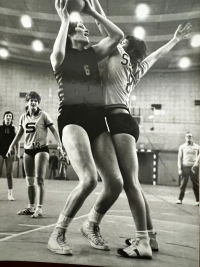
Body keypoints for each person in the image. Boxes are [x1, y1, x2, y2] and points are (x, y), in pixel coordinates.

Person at [81, 0, 192, 259]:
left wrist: (92, 6)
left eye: (124, 40)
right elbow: (157, 56)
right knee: (135, 185)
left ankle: (141, 243)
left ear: (126, 47)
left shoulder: (119, 54)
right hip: (128, 123)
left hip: (117, 121)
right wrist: (174, 40)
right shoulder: (137, 68)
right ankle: (149, 237)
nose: (121, 40)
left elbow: (103, 23)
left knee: (129, 183)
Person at [47, 0, 124, 255]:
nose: (85, 29)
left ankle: (91, 224)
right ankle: (57, 233)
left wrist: (92, 12)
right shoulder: (64, 55)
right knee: (90, 179)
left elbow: (117, 36)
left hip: (96, 120)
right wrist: (65, 21)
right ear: (70, 34)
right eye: (80, 27)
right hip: (72, 117)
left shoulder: (92, 53)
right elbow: (55, 57)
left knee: (115, 183)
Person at [6, 91, 63, 218]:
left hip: (41, 149)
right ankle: (31, 207)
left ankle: (39, 208)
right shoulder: (23, 117)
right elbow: (19, 134)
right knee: (29, 181)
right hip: (28, 150)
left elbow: (54, 130)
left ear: (38, 103)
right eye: (31, 100)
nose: (33, 102)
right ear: (27, 101)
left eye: (36, 100)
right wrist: (11, 146)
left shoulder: (43, 115)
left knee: (39, 179)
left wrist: (59, 144)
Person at [0, 111, 20, 201]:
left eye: (10, 116)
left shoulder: (14, 128)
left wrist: (18, 153)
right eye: (7, 116)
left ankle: (10, 194)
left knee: (9, 174)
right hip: (0, 151)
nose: (8, 117)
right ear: (4, 118)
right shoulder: (0, 128)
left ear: (12, 119)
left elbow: (17, 142)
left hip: (10, 152)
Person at [177, 132, 199, 206]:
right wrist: (180, 169)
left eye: (190, 136)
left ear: (192, 137)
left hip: (194, 168)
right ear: (185, 138)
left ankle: (198, 200)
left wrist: (197, 164)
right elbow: (179, 158)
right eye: (187, 136)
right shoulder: (182, 147)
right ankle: (180, 199)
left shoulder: (197, 147)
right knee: (183, 184)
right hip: (185, 167)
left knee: (196, 184)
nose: (188, 138)